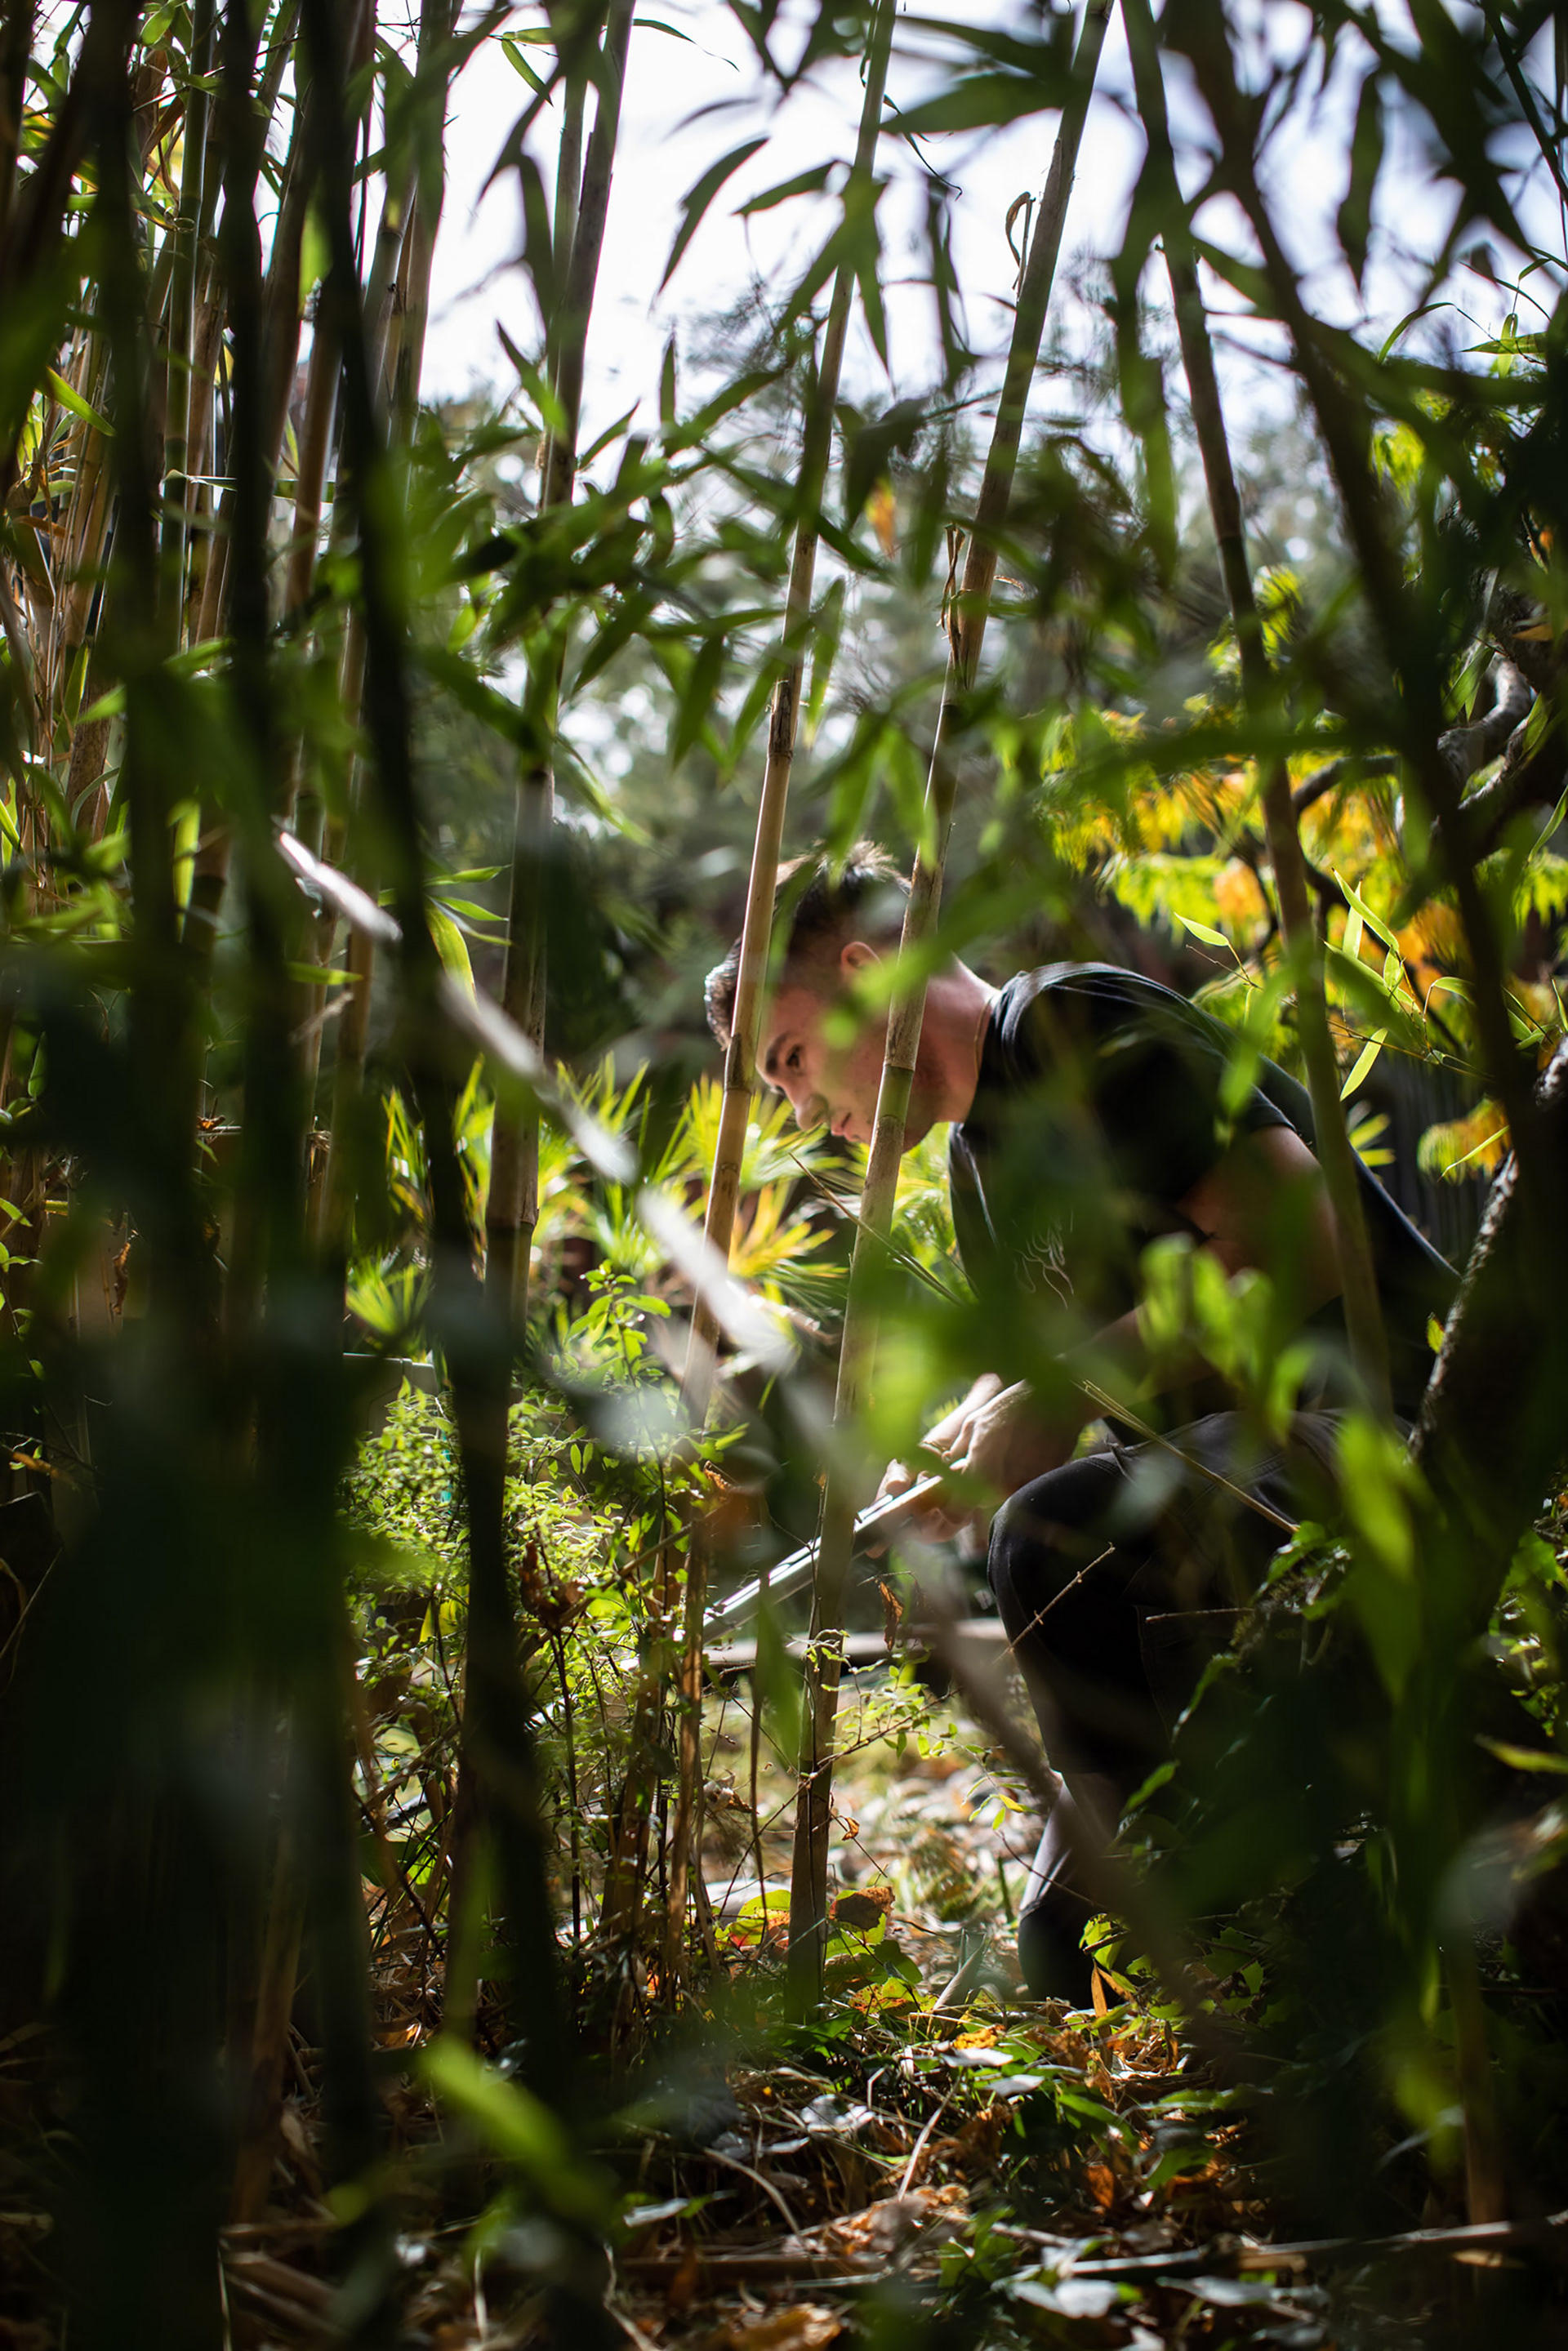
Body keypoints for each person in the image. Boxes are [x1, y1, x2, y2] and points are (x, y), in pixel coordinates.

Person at [705, 844, 1459, 2003]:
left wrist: (1043, 1401)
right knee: (1066, 1954)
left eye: (793, 1060)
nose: (804, 1111)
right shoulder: (974, 1173)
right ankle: (1204, 1878)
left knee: (1052, 1536)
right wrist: (975, 1438)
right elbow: (1085, 1403)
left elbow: (1305, 1243)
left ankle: (1279, 1890)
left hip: (1392, 1430)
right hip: (1231, 1509)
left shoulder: (1069, 1022)